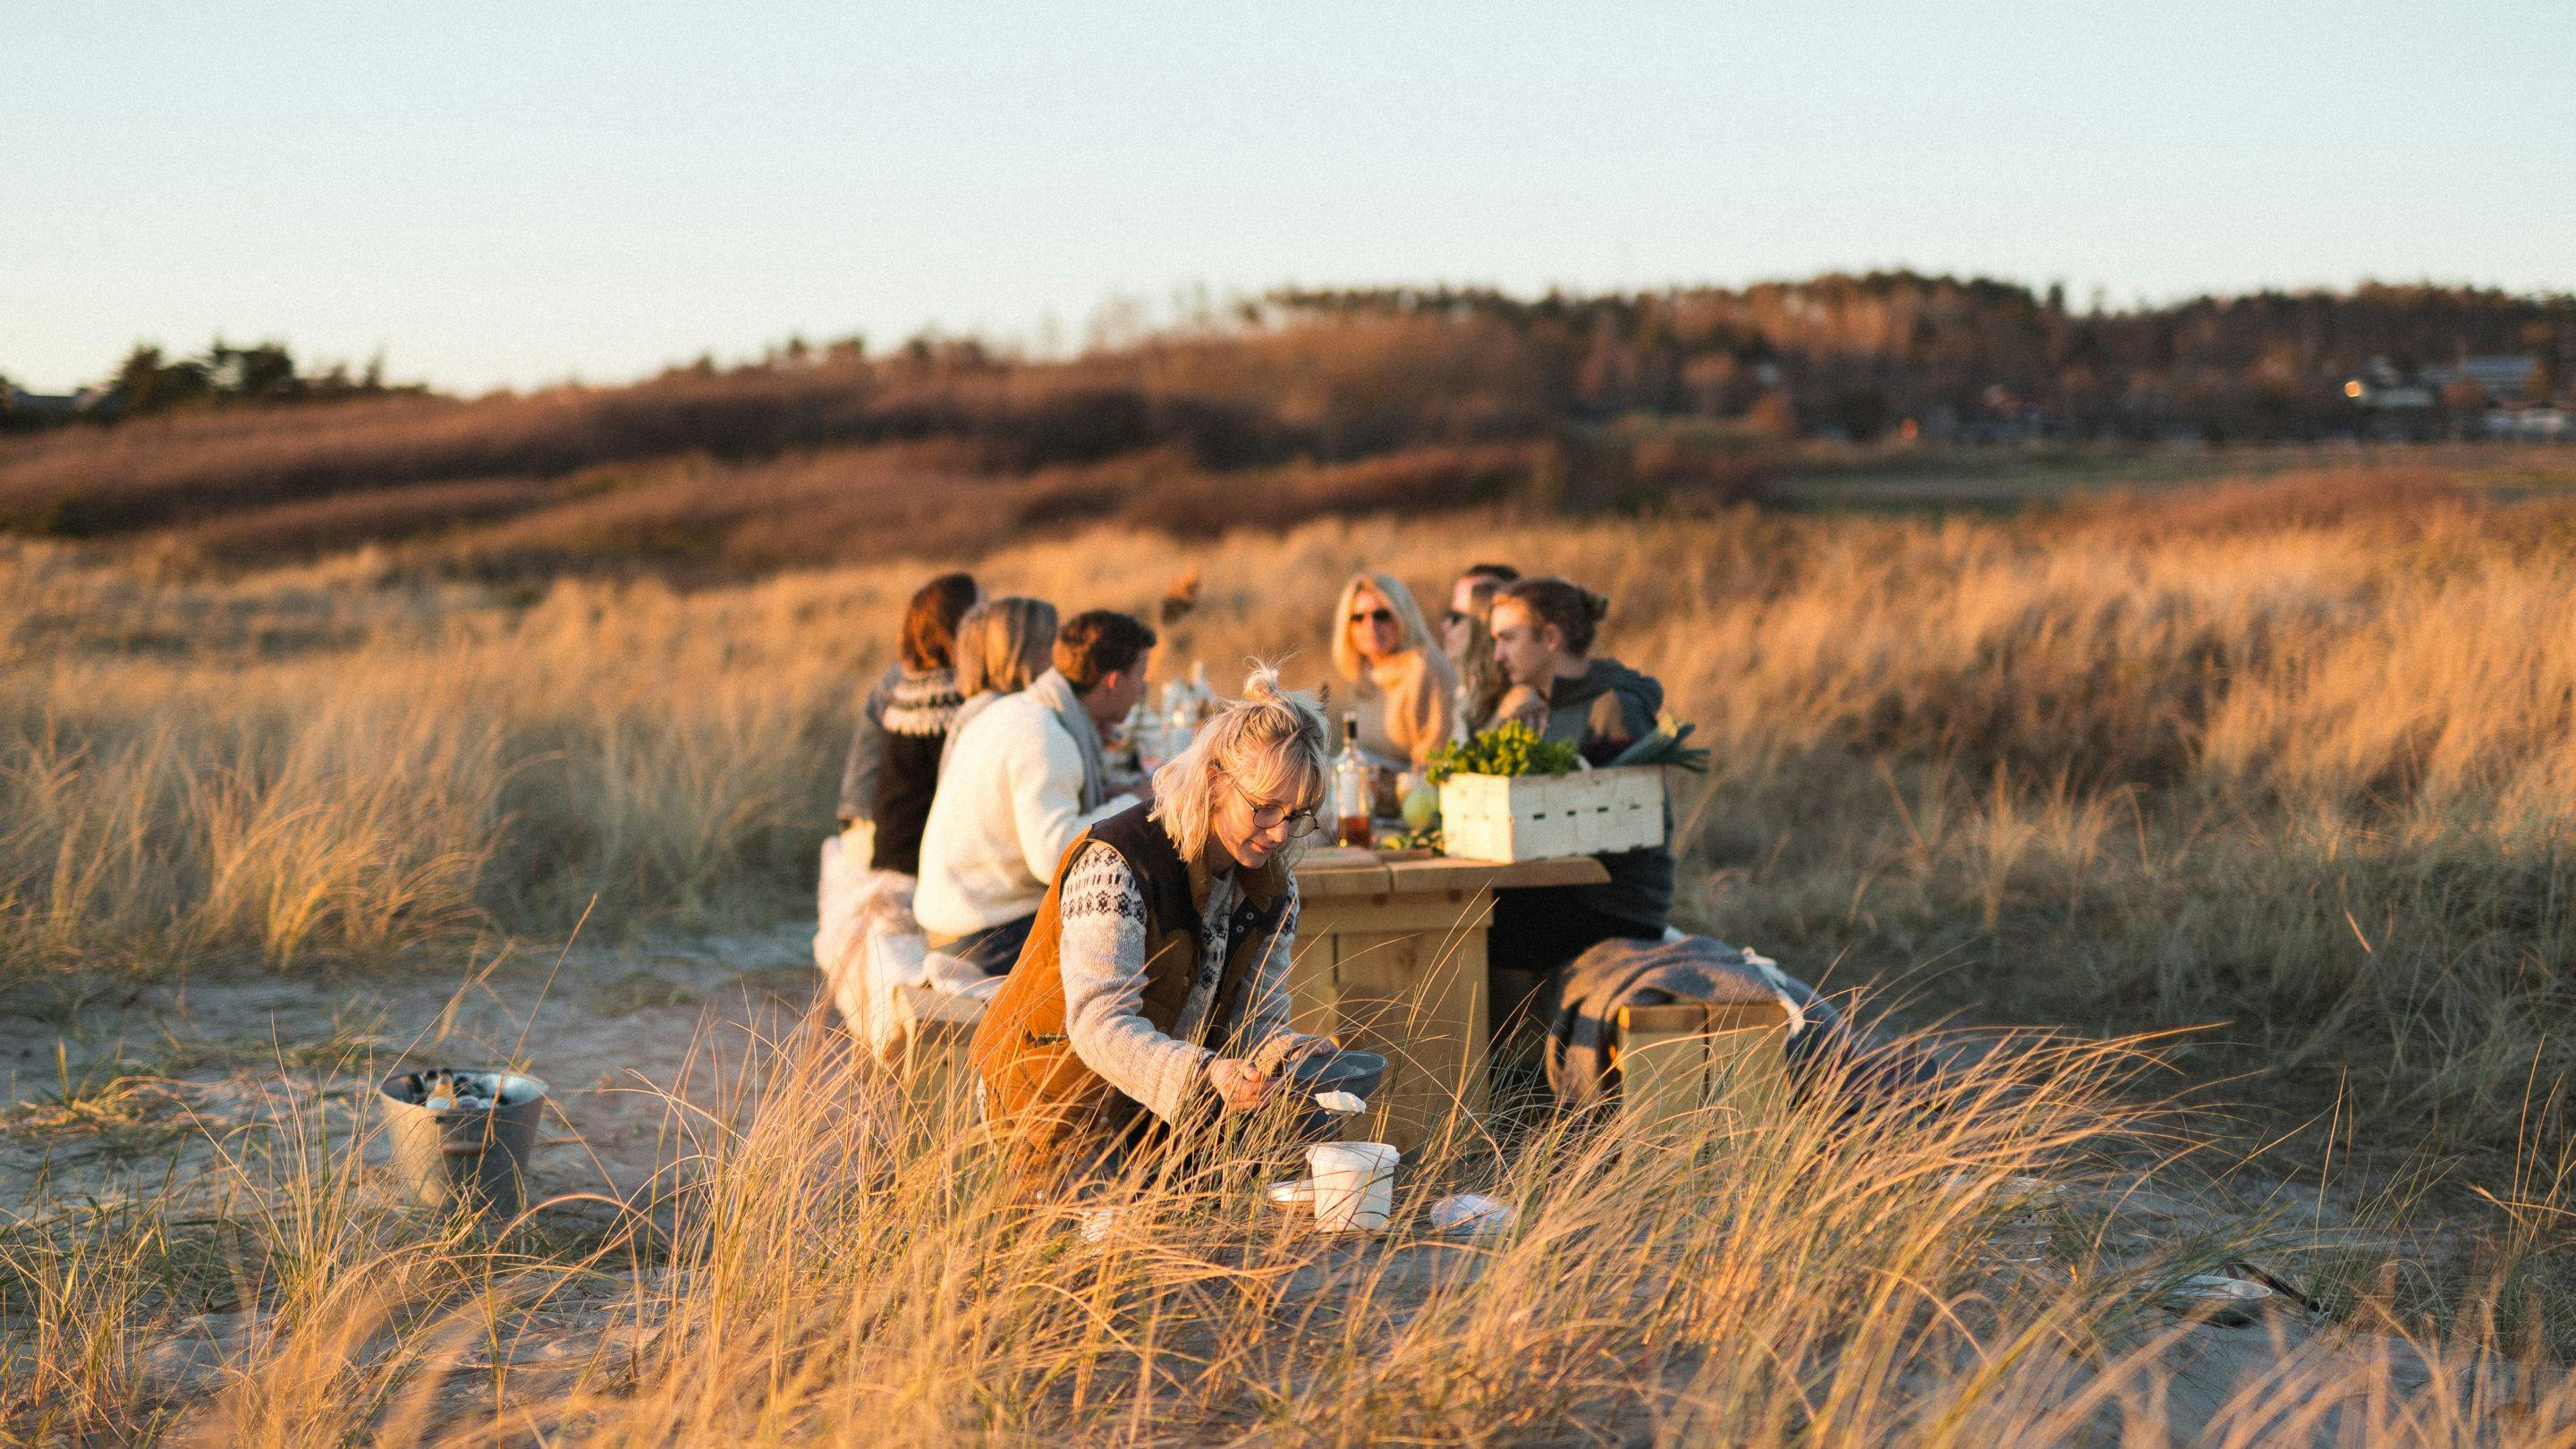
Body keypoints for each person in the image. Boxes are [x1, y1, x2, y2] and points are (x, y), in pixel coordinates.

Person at [969, 665, 1334, 1187]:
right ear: (1214, 781)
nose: (1280, 832)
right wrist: (1206, 1074)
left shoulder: (1274, 891)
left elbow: (1257, 1022)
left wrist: (1287, 1052)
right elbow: (1098, 1022)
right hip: (1049, 1102)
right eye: (1265, 808)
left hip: (1149, 1112)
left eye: (1298, 815)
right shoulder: (1116, 864)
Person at [915, 609, 1158, 974]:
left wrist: (1109, 796)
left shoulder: (1019, 710)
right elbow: (1053, 857)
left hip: (952, 919)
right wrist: (1133, 804)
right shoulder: (1047, 735)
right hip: (984, 937)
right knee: (1143, 935)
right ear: (1113, 681)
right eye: (1140, 676)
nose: (1143, 689)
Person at [1484, 575, 1677, 1009]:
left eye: (1508, 639)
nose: (1497, 656)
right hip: (1567, 890)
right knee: (1468, 911)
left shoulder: (1613, 705)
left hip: (1614, 904)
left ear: (1550, 637)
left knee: (1477, 923)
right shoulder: (1545, 704)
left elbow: (1635, 822)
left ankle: (1510, 1068)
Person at [864, 573, 979, 877]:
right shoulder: (946, 698)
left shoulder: (911, 686)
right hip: (918, 867)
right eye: (983, 610)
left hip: (890, 855)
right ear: (960, 624)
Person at [1329, 572, 1457, 772]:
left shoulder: (1425, 667)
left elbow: (1435, 763)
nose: (1370, 625)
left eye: (1381, 615)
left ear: (1402, 617)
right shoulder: (1363, 674)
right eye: (1358, 617)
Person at [941, 596, 1059, 778]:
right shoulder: (998, 713)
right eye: (1051, 643)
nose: (1057, 657)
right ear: (1024, 653)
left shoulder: (987, 706)